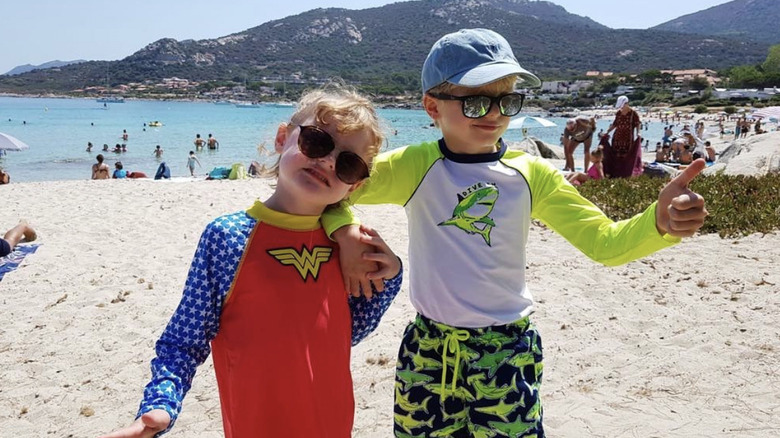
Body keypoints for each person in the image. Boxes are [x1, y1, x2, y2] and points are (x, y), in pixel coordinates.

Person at [321, 28, 709, 437]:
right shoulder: (413, 166)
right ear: (432, 106)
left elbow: (604, 243)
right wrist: (344, 230)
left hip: (506, 350)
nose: (493, 114)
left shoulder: (531, 174)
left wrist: (657, 224)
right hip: (429, 350)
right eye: (475, 101)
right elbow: (331, 193)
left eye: (506, 100)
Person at [99, 86, 404, 438]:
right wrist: (160, 406)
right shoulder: (228, 238)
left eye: (348, 164)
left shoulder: (346, 249)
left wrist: (390, 273)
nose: (328, 161)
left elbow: (349, 333)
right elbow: (184, 340)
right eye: (317, 142)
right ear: (282, 138)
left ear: (353, 186)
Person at [604, 95, 642, 178]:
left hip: (628, 138)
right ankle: (616, 172)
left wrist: (638, 133)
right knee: (616, 154)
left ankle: (625, 172)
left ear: (627, 103)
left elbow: (637, 124)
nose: (622, 108)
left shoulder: (633, 113)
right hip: (617, 137)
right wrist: (607, 132)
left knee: (626, 154)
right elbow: (615, 124)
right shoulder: (618, 113)